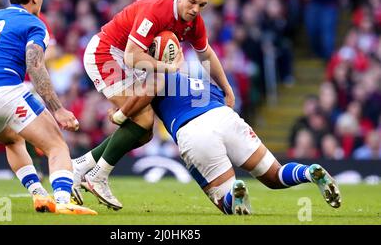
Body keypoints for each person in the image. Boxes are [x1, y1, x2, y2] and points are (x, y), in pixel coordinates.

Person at [74, 0, 236, 210]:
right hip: (107, 54)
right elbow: (130, 54)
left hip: (134, 62)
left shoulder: (194, 21)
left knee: (144, 133)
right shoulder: (157, 9)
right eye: (191, 2)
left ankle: (80, 166)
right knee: (143, 119)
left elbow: (206, 54)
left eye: (202, 5)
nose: (195, 9)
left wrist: (227, 88)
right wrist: (167, 67)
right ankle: (97, 176)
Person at [75, 72, 342, 214]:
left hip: (194, 130)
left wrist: (117, 114)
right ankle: (309, 172)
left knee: (223, 202)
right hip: (225, 117)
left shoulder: (154, 77)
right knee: (273, 175)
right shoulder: (196, 79)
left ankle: (232, 193)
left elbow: (140, 115)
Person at [0, 0, 96, 215]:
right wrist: (58, 109)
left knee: (13, 140)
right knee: (57, 146)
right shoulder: (34, 24)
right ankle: (62, 200)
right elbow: (35, 65)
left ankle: (39, 195)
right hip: (5, 92)